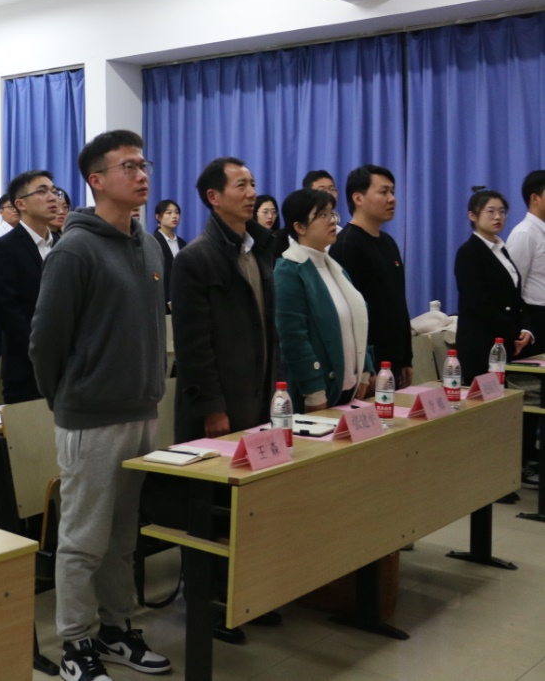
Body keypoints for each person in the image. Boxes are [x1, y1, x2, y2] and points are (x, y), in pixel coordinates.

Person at [30, 130, 172, 680]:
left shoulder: (149, 244)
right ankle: (75, 643)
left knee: (122, 537)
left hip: (141, 410)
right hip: (91, 417)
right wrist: (69, 398)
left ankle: (116, 629)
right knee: (84, 540)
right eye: (128, 166)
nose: (142, 174)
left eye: (143, 164)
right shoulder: (75, 249)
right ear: (96, 180)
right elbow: (46, 342)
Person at [170, 156, 278, 643]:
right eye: (240, 185)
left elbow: (267, 330)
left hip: (256, 398)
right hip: (217, 407)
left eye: (252, 183)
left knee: (247, 506)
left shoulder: (258, 250)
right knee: (208, 509)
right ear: (214, 197)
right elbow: (193, 344)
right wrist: (212, 407)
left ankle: (242, 596)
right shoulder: (196, 258)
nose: (251, 192)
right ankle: (206, 606)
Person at [274, 189, 371, 411]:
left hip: (350, 388)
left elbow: (356, 321)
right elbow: (294, 339)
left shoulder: (335, 268)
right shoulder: (289, 270)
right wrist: (314, 392)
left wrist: (365, 369)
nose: (332, 221)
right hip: (318, 394)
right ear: (300, 227)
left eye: (332, 213)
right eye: (322, 215)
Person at [329, 165, 413, 386]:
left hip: (393, 361)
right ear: (358, 198)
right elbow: (348, 314)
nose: (392, 199)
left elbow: (398, 303)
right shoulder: (346, 245)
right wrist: (365, 369)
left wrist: (406, 357)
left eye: (392, 192)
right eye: (383, 192)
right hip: (367, 367)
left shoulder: (389, 243)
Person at [0, 169, 60, 403]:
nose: (52, 197)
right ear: (21, 204)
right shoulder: (4, 249)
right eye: (42, 191)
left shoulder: (65, 244)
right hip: (28, 369)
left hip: (72, 369)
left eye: (54, 191)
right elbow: (9, 312)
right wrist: (47, 353)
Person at [456, 188, 533, 382]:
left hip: (503, 340)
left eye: (502, 211)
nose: (498, 217)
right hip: (480, 342)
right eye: (490, 211)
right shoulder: (469, 252)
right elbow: (478, 302)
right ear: (472, 216)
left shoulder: (501, 250)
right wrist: (514, 331)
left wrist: (525, 329)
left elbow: (515, 296)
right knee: (483, 398)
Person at [507, 170, 545, 355]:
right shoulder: (524, 233)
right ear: (534, 198)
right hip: (535, 317)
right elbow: (512, 285)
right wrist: (524, 324)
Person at [152, 199, 185, 310]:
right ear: (158, 217)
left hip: (183, 298)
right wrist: (168, 299)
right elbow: (155, 275)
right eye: (169, 213)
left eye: (177, 212)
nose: (174, 216)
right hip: (162, 301)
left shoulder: (182, 243)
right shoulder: (153, 242)